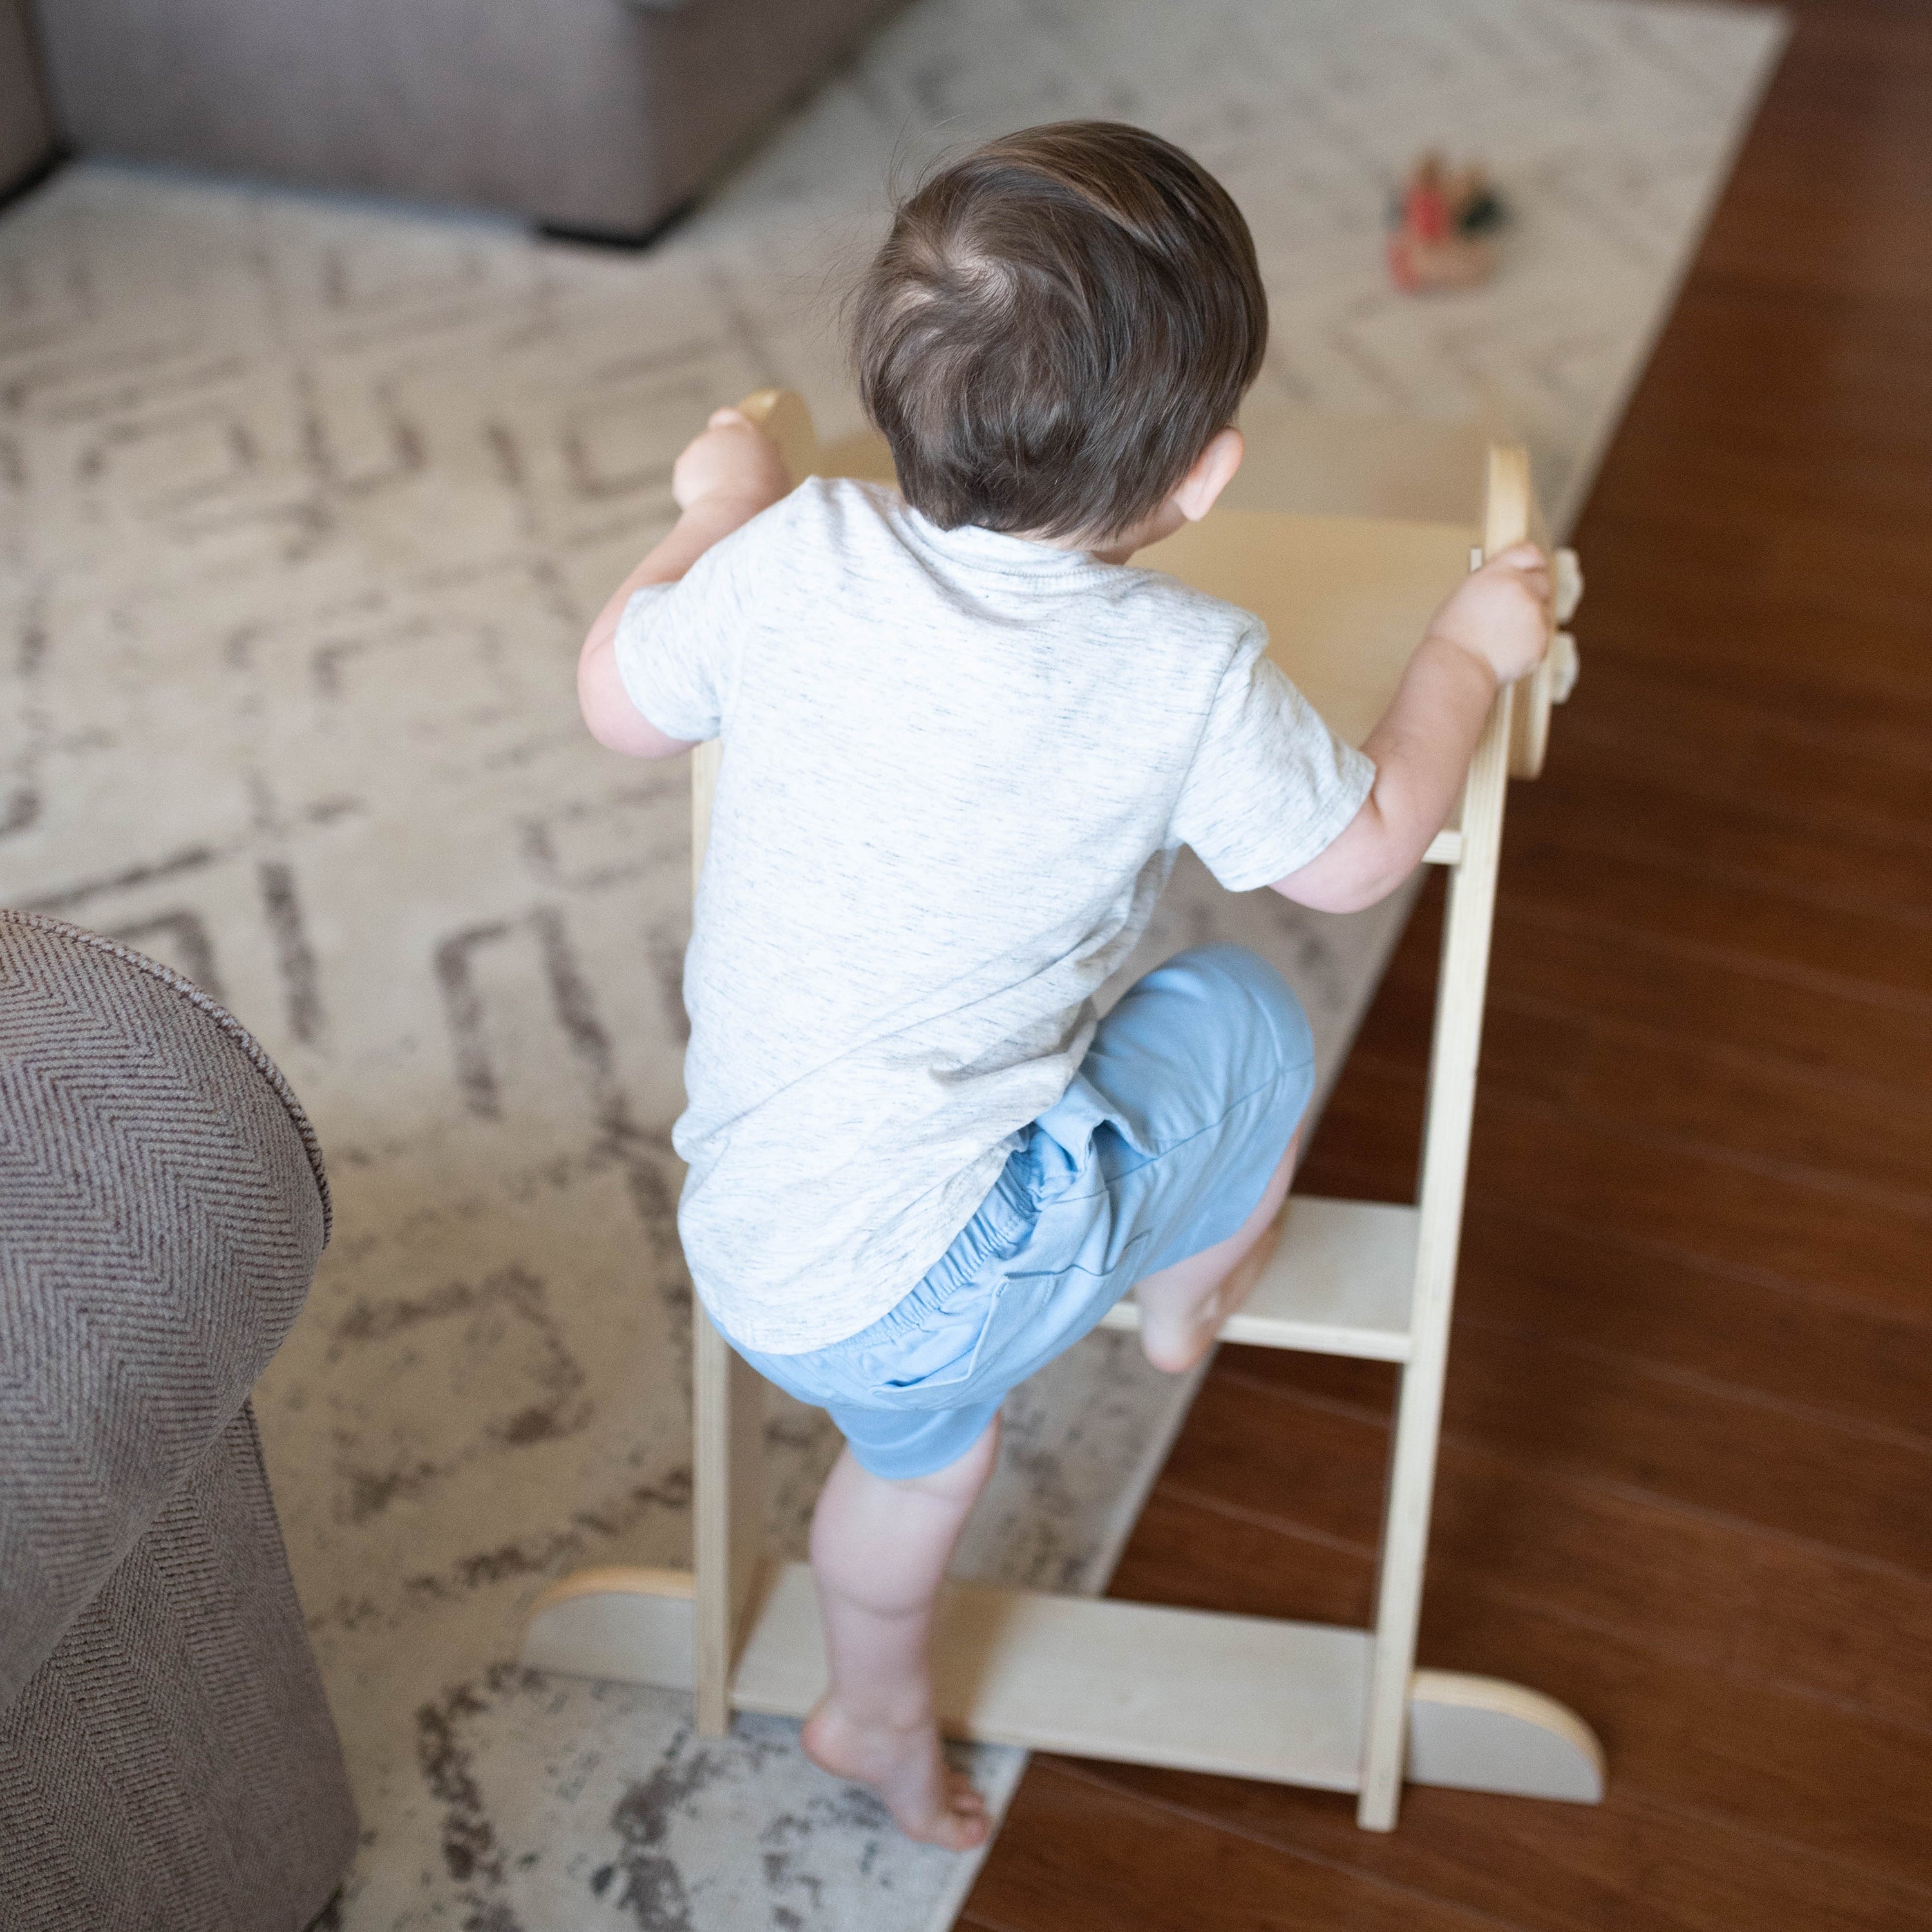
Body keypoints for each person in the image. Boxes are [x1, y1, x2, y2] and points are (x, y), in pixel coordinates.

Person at [576, 122, 1550, 1850]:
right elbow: (1361, 852)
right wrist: (1464, 655)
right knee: (1240, 1013)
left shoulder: (791, 554)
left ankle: (874, 1690)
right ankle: (1185, 1286)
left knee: (913, 1447)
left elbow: (619, 704)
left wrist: (711, 518)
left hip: (748, 1231)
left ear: (892, 393)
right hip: (938, 1276)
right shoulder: (1184, 668)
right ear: (1207, 479)